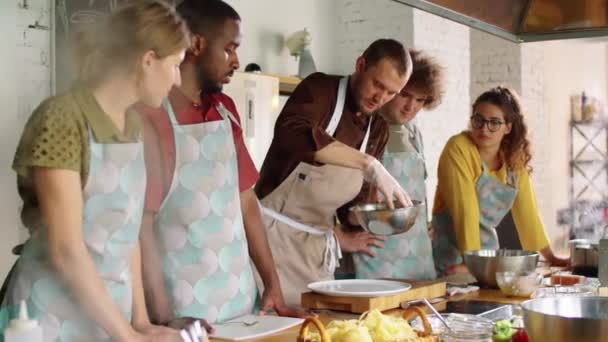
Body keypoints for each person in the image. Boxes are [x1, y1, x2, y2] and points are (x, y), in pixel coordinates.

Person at [0, 1, 190, 341]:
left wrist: (140, 322)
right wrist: (128, 337)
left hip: (106, 321)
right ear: (148, 60)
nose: (177, 80)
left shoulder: (131, 124)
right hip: (45, 317)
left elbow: (126, 233)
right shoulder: (62, 119)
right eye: (175, 65)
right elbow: (67, 249)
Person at [137, 0, 301, 328]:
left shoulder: (225, 108)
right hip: (182, 310)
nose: (236, 61)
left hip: (240, 301)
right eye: (229, 49)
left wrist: (271, 283)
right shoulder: (152, 115)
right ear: (196, 44)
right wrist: (162, 317)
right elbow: (141, 226)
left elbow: (246, 200)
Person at [254, 39, 413, 305]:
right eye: (378, 85)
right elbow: (291, 133)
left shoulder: (377, 130)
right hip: (270, 244)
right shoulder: (320, 89)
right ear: (360, 65)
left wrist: (377, 214)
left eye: (391, 93)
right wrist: (368, 164)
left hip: (315, 257)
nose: (380, 98)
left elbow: (348, 210)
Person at [432, 86, 569, 275]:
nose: (484, 129)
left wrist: (550, 257)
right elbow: (466, 211)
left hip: (487, 258)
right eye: (478, 120)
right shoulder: (459, 148)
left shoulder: (514, 158)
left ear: (508, 127)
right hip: (452, 261)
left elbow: (528, 213)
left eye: (494, 122)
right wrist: (472, 263)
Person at [353, 50, 444, 280]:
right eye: (406, 95)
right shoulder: (361, 128)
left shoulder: (414, 133)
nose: (410, 107)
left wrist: (425, 223)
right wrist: (340, 235)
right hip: (375, 257)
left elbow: (418, 189)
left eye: (420, 100)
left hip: (419, 255)